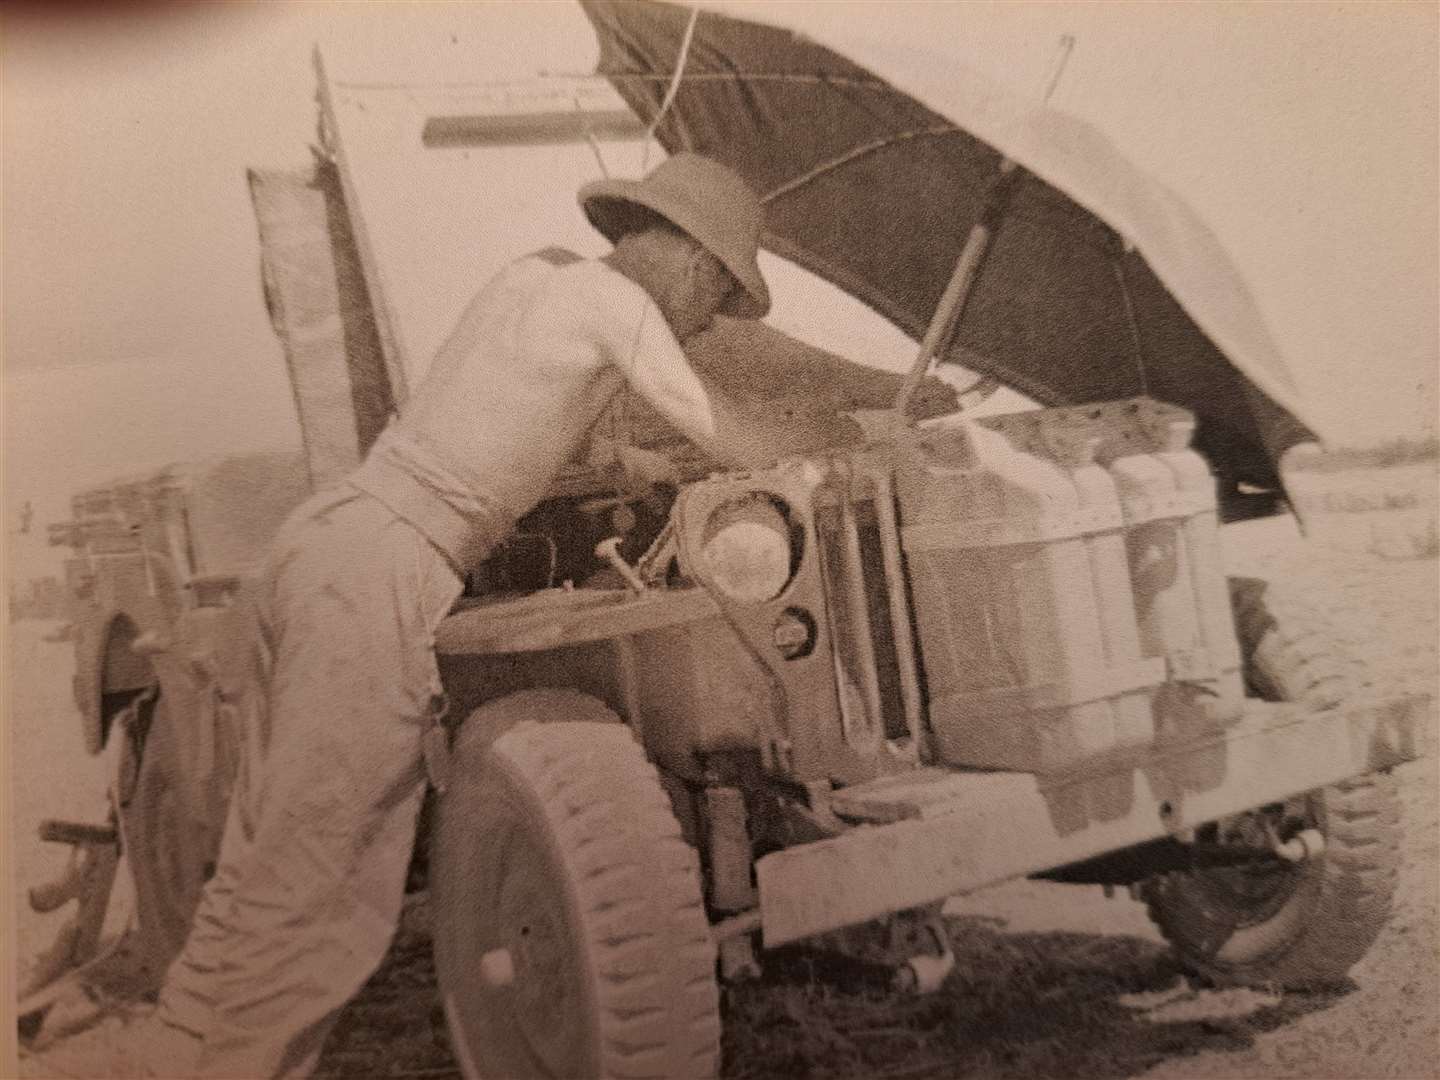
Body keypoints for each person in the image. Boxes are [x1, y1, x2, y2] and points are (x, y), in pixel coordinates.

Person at [84, 153, 800, 1079]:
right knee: (324, 874)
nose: (706, 322)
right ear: (695, 263)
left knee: (275, 855)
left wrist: (642, 472)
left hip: (335, 541)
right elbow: (728, 431)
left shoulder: (534, 277)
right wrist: (820, 444)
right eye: (718, 297)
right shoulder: (620, 309)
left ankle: (192, 1051)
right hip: (387, 562)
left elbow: (505, 423)